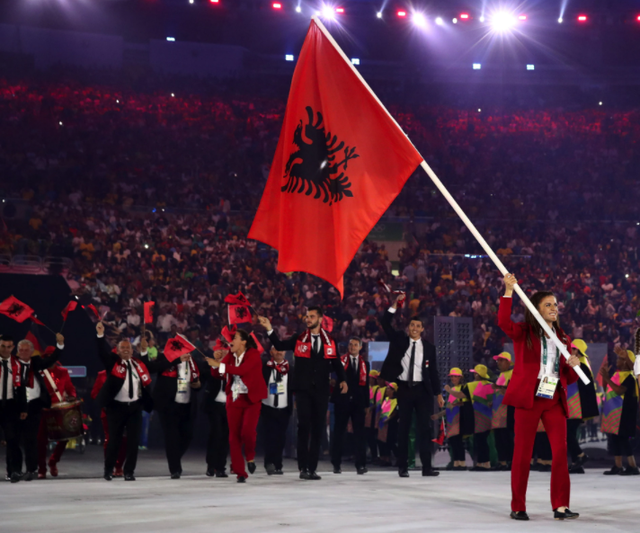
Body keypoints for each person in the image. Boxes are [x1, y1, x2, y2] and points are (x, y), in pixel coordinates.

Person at [499, 273, 581, 521]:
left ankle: (561, 506)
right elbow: (503, 322)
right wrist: (508, 291)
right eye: (548, 304)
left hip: (554, 398)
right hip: (529, 398)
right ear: (536, 309)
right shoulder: (524, 332)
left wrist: (574, 364)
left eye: (555, 305)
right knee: (522, 453)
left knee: (559, 452)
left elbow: (569, 377)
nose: (554, 308)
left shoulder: (563, 337)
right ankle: (518, 506)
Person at [260, 307, 348, 480]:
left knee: (317, 429)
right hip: (302, 390)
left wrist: (343, 379)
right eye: (307, 316)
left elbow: (336, 362)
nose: (308, 319)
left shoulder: (330, 340)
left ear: (320, 318)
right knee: (303, 427)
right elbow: (279, 345)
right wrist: (269, 328)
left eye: (312, 316)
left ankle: (312, 468)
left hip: (321, 391)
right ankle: (303, 468)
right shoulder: (299, 339)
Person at [380, 294, 444, 478]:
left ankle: (427, 468)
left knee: (425, 429)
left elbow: (433, 373)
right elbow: (385, 322)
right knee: (404, 428)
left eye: (418, 326)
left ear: (422, 329)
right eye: (412, 325)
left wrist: (438, 393)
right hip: (405, 389)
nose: (414, 328)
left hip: (423, 391)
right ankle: (403, 467)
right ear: (408, 328)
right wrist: (394, 305)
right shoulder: (399, 339)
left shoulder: (429, 348)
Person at [95, 321, 153, 481]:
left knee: (133, 442)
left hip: (134, 408)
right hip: (116, 408)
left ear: (132, 350)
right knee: (114, 440)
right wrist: (100, 335)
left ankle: (129, 472)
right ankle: (108, 470)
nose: (126, 350)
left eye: (129, 348)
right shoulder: (113, 364)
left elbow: (149, 367)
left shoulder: (138, 364)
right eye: (123, 349)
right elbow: (101, 352)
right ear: (118, 351)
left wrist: (145, 349)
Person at [208, 329, 267, 483]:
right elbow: (218, 375)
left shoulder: (253, 354)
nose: (230, 341)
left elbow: (242, 371)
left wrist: (219, 366)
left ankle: (250, 456)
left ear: (244, 341)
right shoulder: (230, 356)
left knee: (247, 431)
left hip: (251, 399)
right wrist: (215, 365)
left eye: (234, 338)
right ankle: (240, 472)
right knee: (233, 436)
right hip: (234, 398)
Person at [147, 343, 201, 479]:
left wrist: (198, 385)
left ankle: (174, 457)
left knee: (188, 435)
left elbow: (200, 378)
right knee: (171, 437)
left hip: (187, 404)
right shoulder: (164, 359)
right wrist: (177, 359)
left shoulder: (192, 362)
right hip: (168, 404)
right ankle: (175, 469)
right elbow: (151, 368)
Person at [16, 335, 64, 480]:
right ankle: (14, 470)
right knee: (14, 440)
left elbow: (51, 359)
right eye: (21, 350)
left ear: (32, 352)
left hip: (34, 406)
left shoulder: (36, 363)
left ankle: (32, 470)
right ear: (17, 351)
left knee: (31, 440)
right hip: (16, 406)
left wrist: (60, 344)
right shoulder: (10, 365)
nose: (24, 352)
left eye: (26, 350)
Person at [331, 337, 370, 475]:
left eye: (355, 345)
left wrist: (366, 404)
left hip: (358, 403)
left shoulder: (365, 364)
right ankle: (336, 463)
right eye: (350, 344)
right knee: (339, 432)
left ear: (360, 347)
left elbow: (366, 386)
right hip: (342, 401)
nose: (352, 347)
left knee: (360, 433)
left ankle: (361, 465)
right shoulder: (340, 361)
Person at [600, 347, 639, 476]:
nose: (618, 360)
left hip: (624, 412)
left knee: (623, 438)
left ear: (627, 363)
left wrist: (607, 377)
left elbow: (619, 390)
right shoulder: (617, 374)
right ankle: (618, 466)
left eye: (621, 359)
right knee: (615, 438)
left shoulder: (630, 377)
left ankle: (633, 466)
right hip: (615, 412)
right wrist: (606, 379)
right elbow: (609, 388)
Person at [37, 361, 77, 479]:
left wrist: (72, 396)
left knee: (64, 438)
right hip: (43, 410)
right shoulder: (39, 371)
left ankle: (53, 461)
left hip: (59, 409)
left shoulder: (63, 372)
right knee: (40, 441)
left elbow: (69, 387)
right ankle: (42, 468)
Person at [565, 339, 598, 474]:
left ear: (576, 351)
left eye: (571, 348)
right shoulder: (583, 365)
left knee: (566, 432)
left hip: (575, 405)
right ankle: (576, 464)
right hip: (574, 405)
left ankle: (580, 455)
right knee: (570, 433)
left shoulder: (580, 366)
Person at [261, 346, 292, 475]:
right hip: (268, 407)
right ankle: (269, 463)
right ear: (271, 352)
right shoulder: (265, 367)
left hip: (284, 408)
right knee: (270, 436)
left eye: (281, 349)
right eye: (276, 349)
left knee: (281, 437)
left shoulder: (291, 369)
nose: (279, 352)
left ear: (285, 352)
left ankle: (278, 464)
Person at [0, 335, 27, 483]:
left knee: (13, 439)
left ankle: (14, 471)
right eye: (2, 346)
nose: (5, 349)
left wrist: (23, 408)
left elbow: (21, 387)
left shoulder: (17, 364)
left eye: (8, 347)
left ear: (13, 347)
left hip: (10, 405)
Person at [91, 370, 127, 477]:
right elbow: (94, 393)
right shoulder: (102, 374)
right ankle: (110, 467)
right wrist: (105, 401)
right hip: (108, 412)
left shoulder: (130, 371)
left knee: (124, 439)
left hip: (126, 411)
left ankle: (119, 466)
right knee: (110, 439)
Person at [203, 341, 230, 478]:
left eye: (225, 351)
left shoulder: (232, 366)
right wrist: (214, 361)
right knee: (216, 434)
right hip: (214, 405)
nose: (222, 353)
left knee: (225, 436)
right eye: (220, 351)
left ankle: (221, 467)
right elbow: (211, 375)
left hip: (229, 406)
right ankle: (211, 465)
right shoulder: (211, 365)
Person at [438, 367, 474, 470]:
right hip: (451, 419)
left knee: (458, 441)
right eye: (452, 376)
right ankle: (456, 462)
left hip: (460, 418)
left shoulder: (463, 388)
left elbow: (465, 402)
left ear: (460, 377)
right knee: (453, 441)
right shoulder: (452, 389)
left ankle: (461, 462)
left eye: (455, 376)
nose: (453, 378)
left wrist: (454, 404)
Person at [467, 364, 495, 471]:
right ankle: (480, 462)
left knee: (482, 440)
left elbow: (491, 402)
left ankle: (486, 462)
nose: (474, 375)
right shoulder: (480, 385)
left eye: (475, 373)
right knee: (479, 440)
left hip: (485, 417)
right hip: (478, 416)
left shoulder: (488, 385)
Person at [491, 352, 514, 471]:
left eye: (501, 360)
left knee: (507, 437)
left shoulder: (512, 374)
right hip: (497, 411)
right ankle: (502, 461)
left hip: (506, 411)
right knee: (499, 438)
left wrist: (500, 388)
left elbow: (513, 390)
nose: (499, 363)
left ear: (508, 362)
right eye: (498, 361)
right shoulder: (500, 375)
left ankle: (510, 461)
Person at [365, 369, 381, 463]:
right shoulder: (368, 388)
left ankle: (375, 455)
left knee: (373, 436)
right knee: (368, 435)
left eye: (371, 378)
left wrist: (370, 408)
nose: (369, 380)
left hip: (374, 415)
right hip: (368, 415)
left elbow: (378, 403)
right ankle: (372, 454)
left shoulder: (377, 389)